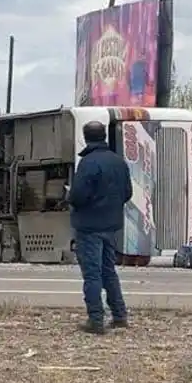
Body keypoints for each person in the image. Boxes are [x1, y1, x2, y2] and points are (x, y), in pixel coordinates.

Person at [69, 121, 132, 335]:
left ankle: (96, 319)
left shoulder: (88, 163)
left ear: (85, 137)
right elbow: (127, 193)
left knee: (92, 274)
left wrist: (69, 196)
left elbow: (78, 196)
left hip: (89, 226)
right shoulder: (118, 161)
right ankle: (119, 315)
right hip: (111, 224)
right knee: (108, 271)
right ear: (104, 135)